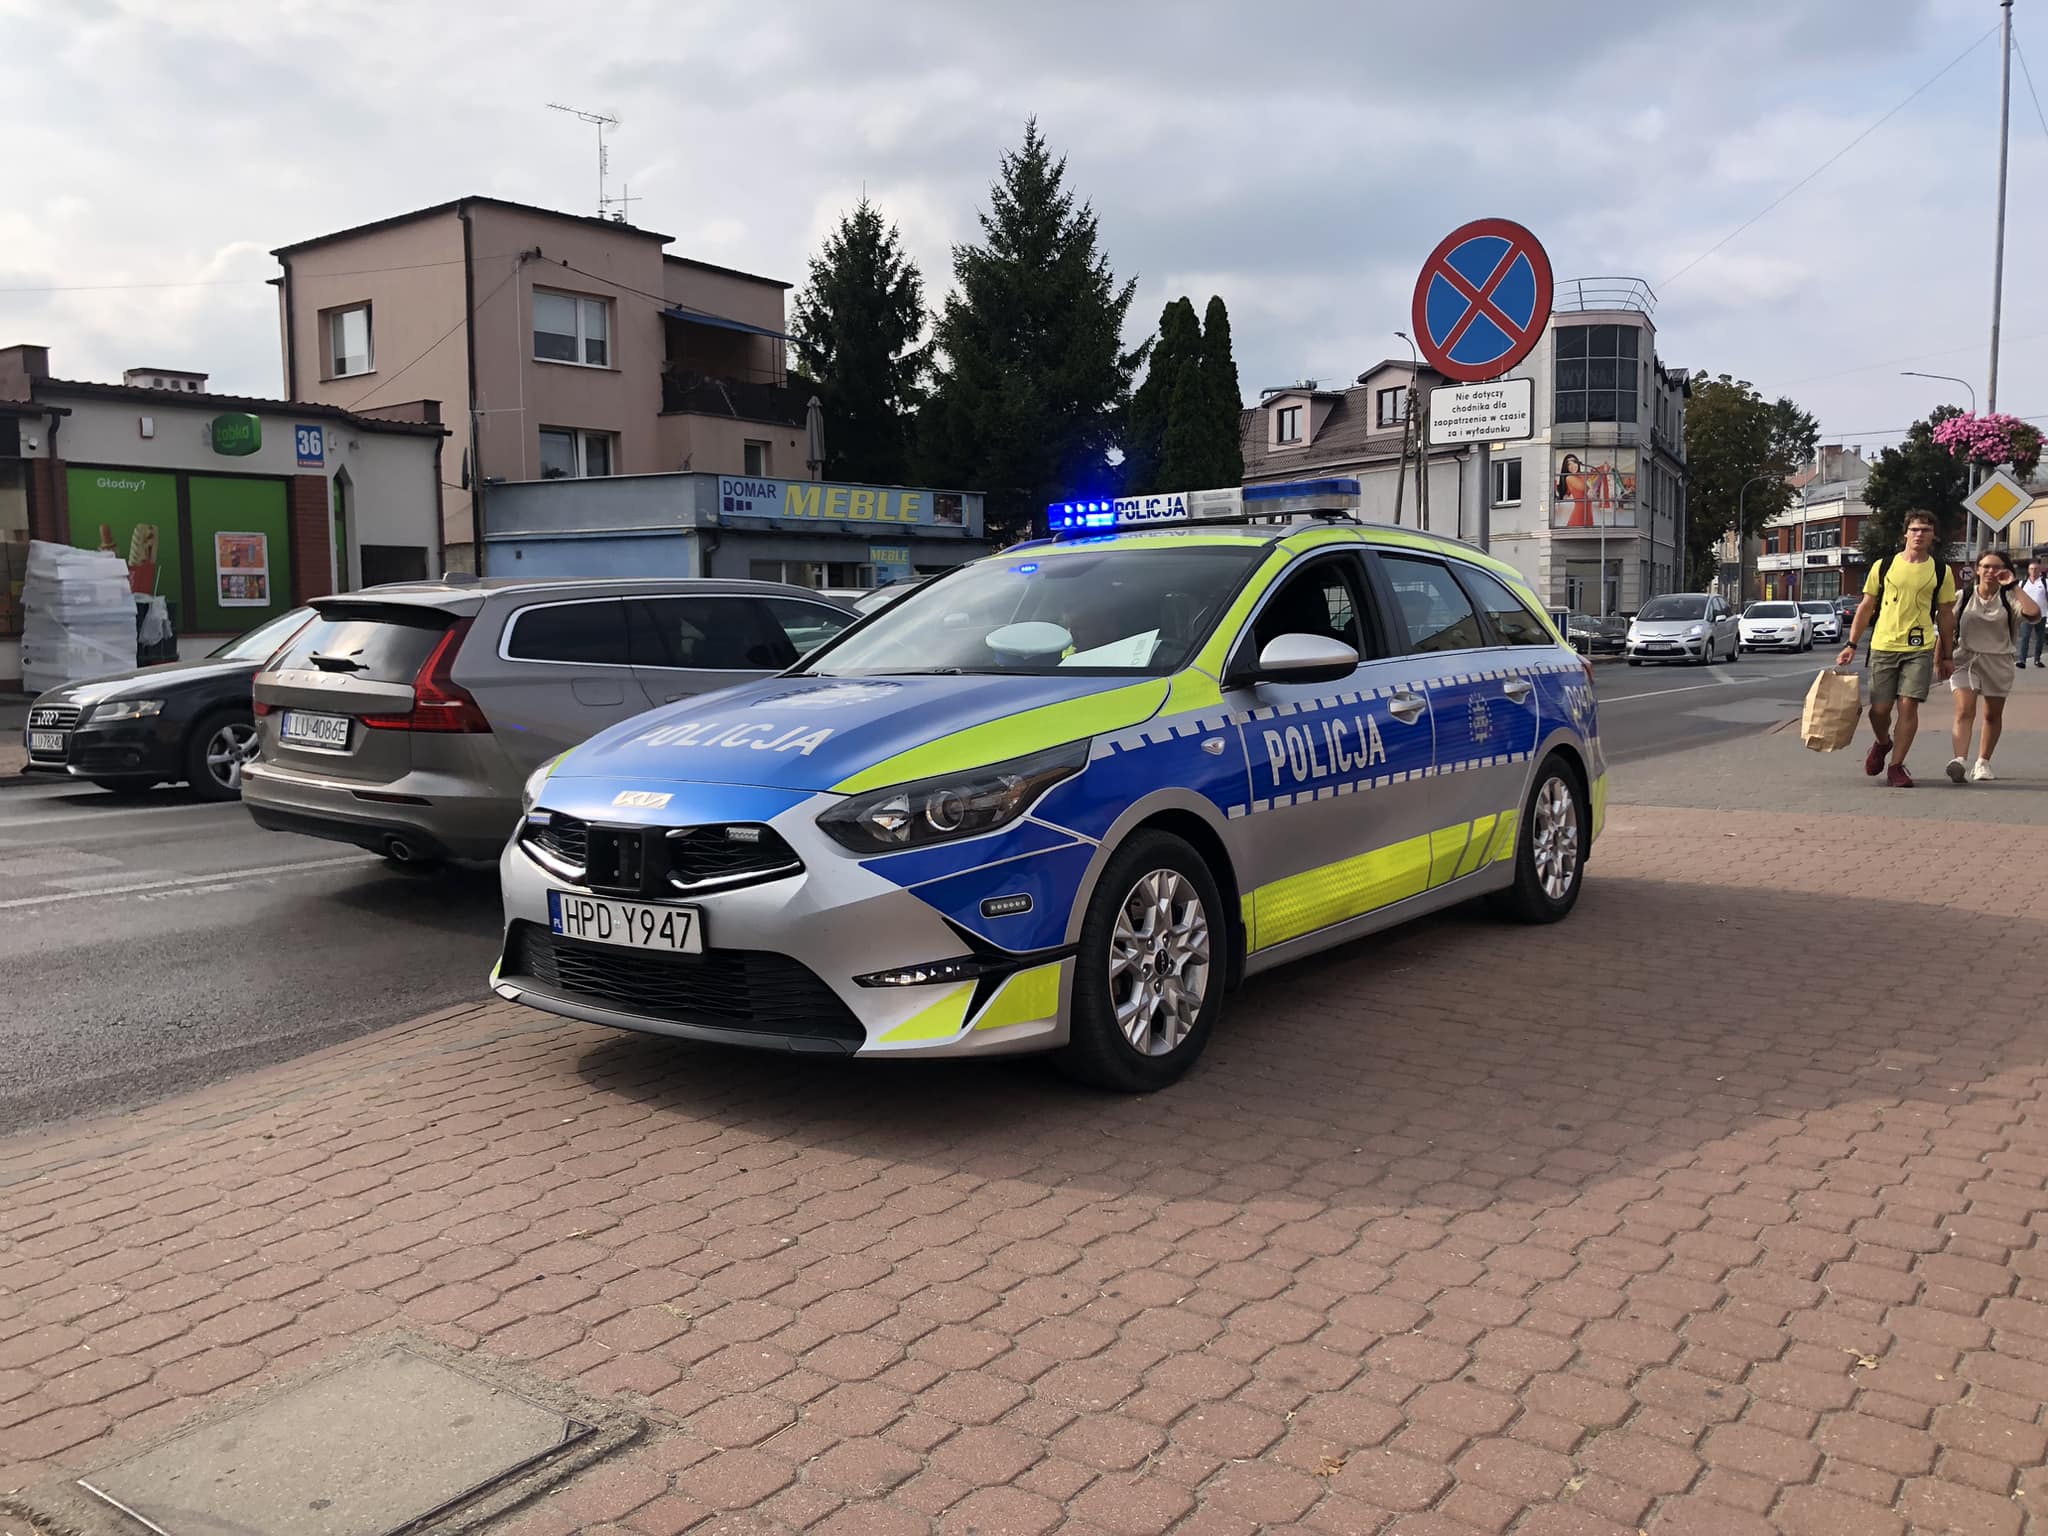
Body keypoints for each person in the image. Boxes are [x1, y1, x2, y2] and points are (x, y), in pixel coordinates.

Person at [1836, 510, 1958, 787]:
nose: (1919, 535)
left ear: (1933, 536)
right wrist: (1851, 644)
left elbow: (1945, 614)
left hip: (1920, 647)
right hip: (1884, 645)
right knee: (1879, 710)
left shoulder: (1941, 571)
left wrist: (1947, 655)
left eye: (1925, 530)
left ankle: (1896, 766)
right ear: (1905, 533)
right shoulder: (1884, 566)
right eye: (1914, 529)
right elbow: (1866, 606)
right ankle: (1882, 743)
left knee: (1908, 705)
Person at [1946, 549, 2043, 782]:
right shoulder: (1963, 596)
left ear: (2005, 571)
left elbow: (2034, 613)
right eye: (1986, 566)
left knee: (1991, 715)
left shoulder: (2009, 599)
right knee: (1964, 710)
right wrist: (1942, 658)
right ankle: (1959, 760)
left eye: (1997, 567)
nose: (1991, 571)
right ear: (1977, 570)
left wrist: (2014, 586)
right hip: (1966, 659)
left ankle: (1983, 762)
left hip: (1998, 661)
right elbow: (1946, 628)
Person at [2020, 559, 2048, 668]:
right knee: (2025, 637)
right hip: (2027, 615)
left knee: (2040, 638)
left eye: (2036, 569)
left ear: (2039, 570)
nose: (2033, 571)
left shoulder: (2045, 583)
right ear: (2028, 570)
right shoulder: (2022, 583)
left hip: (2042, 615)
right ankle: (2022, 660)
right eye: (2031, 569)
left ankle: (2037, 659)